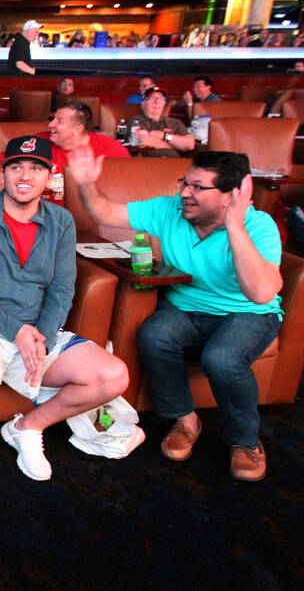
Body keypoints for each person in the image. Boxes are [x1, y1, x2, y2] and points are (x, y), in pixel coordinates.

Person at [68, 149, 281, 482]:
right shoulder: (170, 209)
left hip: (247, 313)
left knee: (222, 358)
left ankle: (245, 442)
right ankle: (185, 419)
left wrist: (235, 227)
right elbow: (103, 211)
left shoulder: (258, 226)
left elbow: (261, 294)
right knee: (154, 335)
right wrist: (86, 185)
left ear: (231, 195)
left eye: (197, 187)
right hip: (184, 306)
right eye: (185, 182)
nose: (184, 192)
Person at [0, 135, 129, 481]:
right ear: (3, 175)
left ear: (49, 177)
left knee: (114, 375)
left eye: (36, 168)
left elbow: (61, 288)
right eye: (16, 167)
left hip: (38, 328)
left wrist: (42, 337)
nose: (25, 176)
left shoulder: (61, 221)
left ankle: (27, 427)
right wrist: (18, 332)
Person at [0, 101, 127, 205]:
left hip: (93, 214)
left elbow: (130, 184)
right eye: (53, 119)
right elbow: (0, 162)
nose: (50, 124)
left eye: (59, 121)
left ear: (78, 129)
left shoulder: (112, 148)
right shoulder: (38, 142)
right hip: (44, 214)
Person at [132, 87, 195, 157]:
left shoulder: (175, 122)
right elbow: (143, 141)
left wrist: (164, 136)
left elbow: (190, 144)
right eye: (152, 99)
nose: (157, 102)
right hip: (150, 164)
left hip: (176, 164)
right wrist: (176, 144)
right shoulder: (136, 121)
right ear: (143, 104)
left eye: (161, 99)